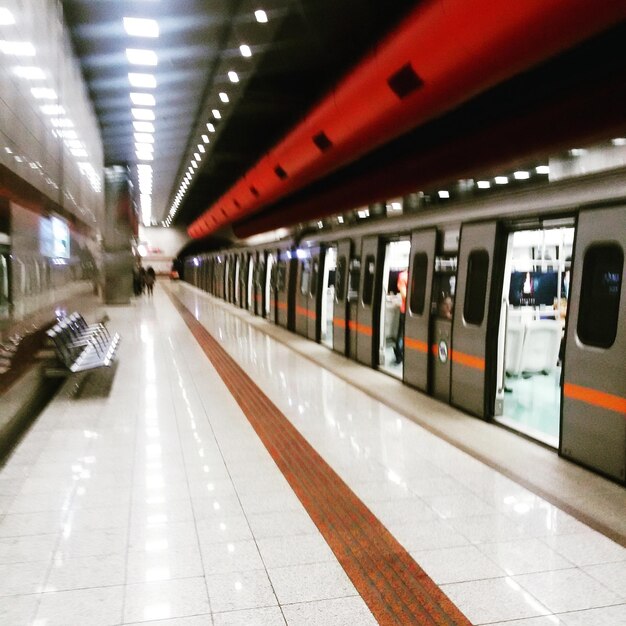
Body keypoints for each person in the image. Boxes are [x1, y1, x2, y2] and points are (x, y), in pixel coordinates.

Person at [393, 269, 408, 364]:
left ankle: (400, 354)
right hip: (406, 310)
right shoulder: (403, 276)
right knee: (402, 334)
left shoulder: (402, 276)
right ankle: (399, 354)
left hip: (407, 310)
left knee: (402, 334)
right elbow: (404, 295)